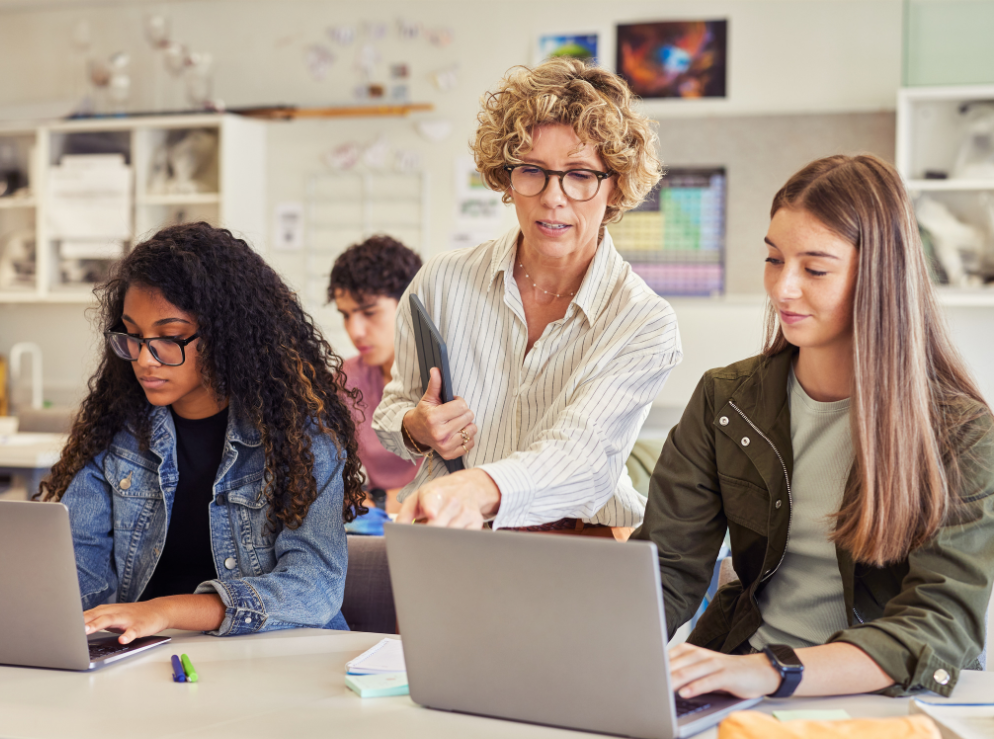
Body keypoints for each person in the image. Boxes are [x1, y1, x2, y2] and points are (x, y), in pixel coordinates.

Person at [634, 154, 994, 700]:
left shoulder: (956, 430)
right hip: (741, 687)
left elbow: (940, 623)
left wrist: (772, 671)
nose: (782, 288)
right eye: (772, 259)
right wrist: (601, 659)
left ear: (879, 276)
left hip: (883, 702)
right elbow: (667, 571)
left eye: (814, 269)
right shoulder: (727, 399)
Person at [374, 57, 682, 532]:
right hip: (451, 532)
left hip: (579, 540)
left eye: (580, 174)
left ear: (615, 185)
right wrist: (416, 428)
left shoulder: (644, 322)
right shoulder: (441, 281)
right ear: (506, 176)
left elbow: (582, 456)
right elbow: (395, 409)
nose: (552, 197)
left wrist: (481, 488)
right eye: (532, 170)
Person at [39, 222, 366, 643]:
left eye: (169, 338)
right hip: (143, 659)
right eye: (133, 337)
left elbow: (314, 585)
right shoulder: (115, 433)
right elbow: (76, 572)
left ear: (227, 337)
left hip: (274, 659)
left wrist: (169, 610)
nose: (144, 359)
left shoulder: (299, 438)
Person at [329, 235, 423, 511]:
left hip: (441, 523)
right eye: (346, 315)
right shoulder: (346, 380)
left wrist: (377, 502)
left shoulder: (450, 374)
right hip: (373, 522)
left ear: (409, 307)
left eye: (369, 312)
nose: (355, 331)